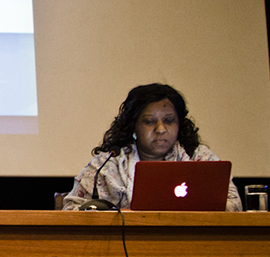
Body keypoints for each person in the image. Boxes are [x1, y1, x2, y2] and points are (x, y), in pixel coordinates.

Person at [61, 83, 242, 211]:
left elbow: (234, 205)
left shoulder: (200, 158)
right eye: (149, 122)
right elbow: (71, 209)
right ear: (134, 126)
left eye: (169, 121)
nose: (161, 129)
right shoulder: (108, 163)